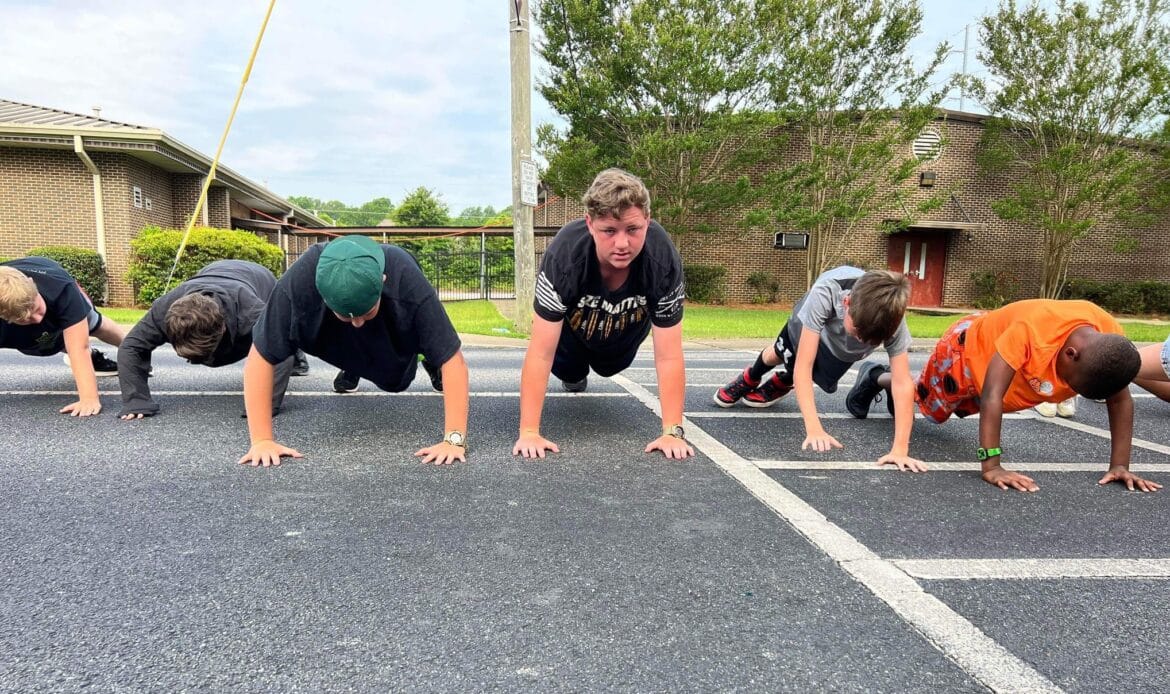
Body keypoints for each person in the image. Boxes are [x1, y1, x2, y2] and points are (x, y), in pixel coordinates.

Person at [238, 234, 469, 467]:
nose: (358, 323)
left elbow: (452, 358)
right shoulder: (297, 284)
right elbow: (261, 355)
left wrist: (453, 440)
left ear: (383, 280)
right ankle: (353, 363)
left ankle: (428, 356)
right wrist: (261, 441)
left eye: (366, 313)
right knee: (341, 327)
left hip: (392, 328)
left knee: (396, 381)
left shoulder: (406, 279)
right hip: (328, 331)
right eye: (347, 316)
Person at [512, 168, 692, 460]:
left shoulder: (662, 259)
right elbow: (540, 352)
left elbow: (669, 355)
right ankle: (574, 375)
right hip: (571, 334)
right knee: (568, 370)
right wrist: (529, 432)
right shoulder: (564, 256)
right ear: (590, 224)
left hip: (623, 331)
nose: (622, 243)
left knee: (609, 367)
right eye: (609, 231)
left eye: (632, 229)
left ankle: (601, 362)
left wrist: (673, 432)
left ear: (647, 221)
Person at [911, 299, 1159, 493]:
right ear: (1071, 354)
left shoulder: (1109, 341)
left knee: (962, 409)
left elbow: (1120, 399)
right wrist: (992, 466)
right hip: (965, 353)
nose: (1068, 389)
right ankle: (892, 384)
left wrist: (1120, 465)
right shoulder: (1031, 330)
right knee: (932, 412)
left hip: (1010, 382)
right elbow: (992, 394)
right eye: (1072, 384)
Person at [716, 266, 924, 472]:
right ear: (846, 302)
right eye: (859, 332)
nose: (862, 341)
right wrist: (814, 428)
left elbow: (902, 382)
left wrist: (900, 450)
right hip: (806, 326)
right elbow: (804, 365)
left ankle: (783, 382)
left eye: (872, 341)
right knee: (779, 354)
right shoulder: (826, 293)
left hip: (839, 348)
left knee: (818, 376)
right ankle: (751, 377)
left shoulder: (892, 318)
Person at [116, 259, 306, 419]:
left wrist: (263, 406)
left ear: (222, 327)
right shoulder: (163, 311)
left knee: (282, 331)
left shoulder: (250, 312)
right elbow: (131, 347)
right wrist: (136, 400)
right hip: (213, 271)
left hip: (259, 278)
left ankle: (299, 357)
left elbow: (280, 340)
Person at [0, 257, 125, 416]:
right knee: (47, 342)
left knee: (94, 324)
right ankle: (92, 358)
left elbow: (79, 348)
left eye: (36, 308)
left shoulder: (61, 288)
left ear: (33, 284)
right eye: (26, 319)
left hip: (56, 290)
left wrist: (88, 399)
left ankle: (134, 349)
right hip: (25, 337)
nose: (37, 319)